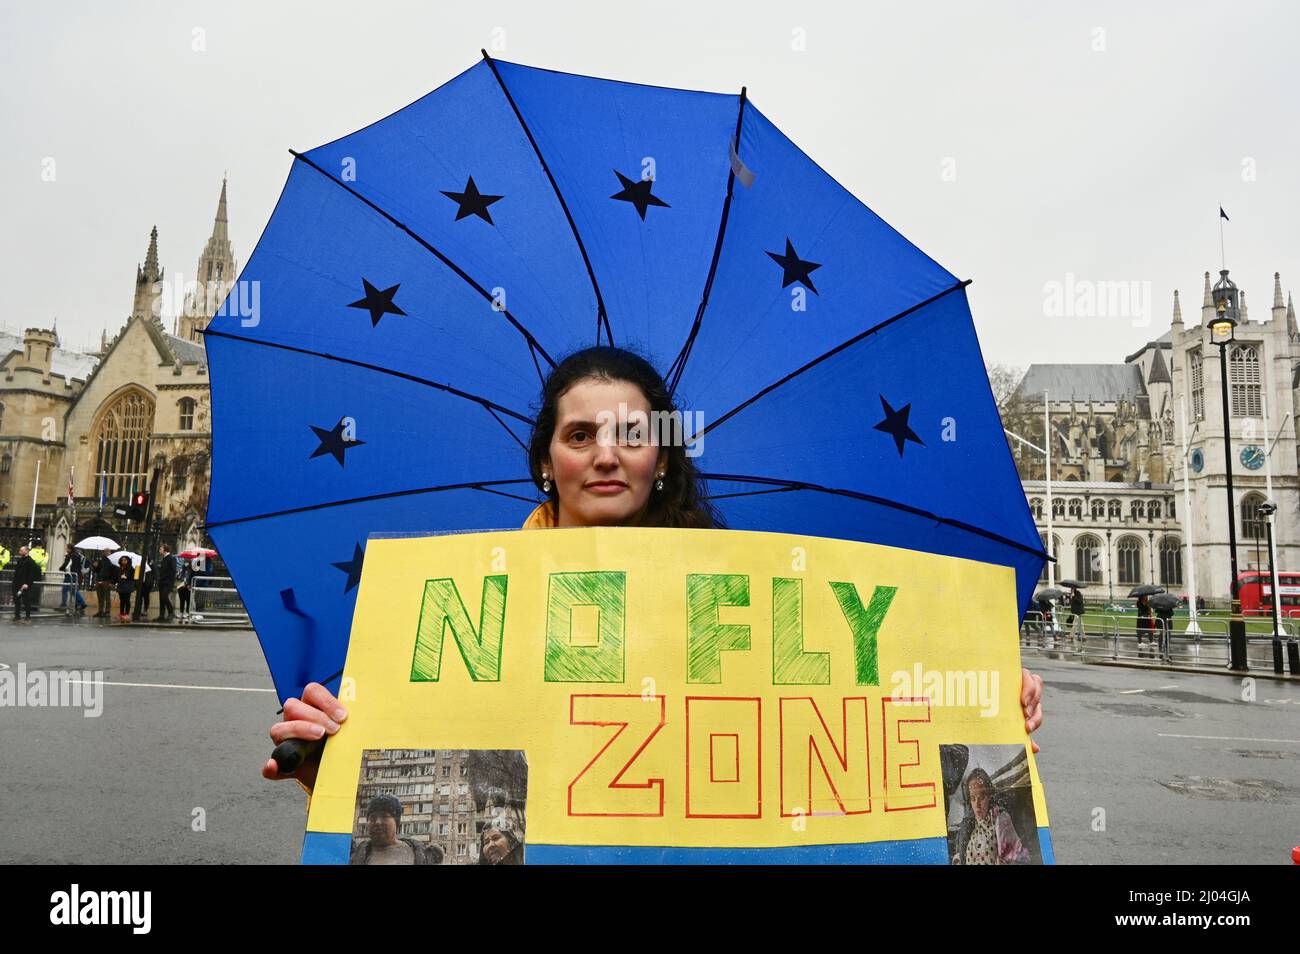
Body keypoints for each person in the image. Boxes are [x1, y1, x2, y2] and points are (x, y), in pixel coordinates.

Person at [263, 347, 1046, 789]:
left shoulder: (748, 596)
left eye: (631, 434)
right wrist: (326, 766)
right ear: (546, 460)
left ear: (661, 460)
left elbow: (846, 742)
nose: (606, 453)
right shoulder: (465, 602)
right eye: (579, 435)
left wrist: (977, 703)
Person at [951, 768, 1031, 865]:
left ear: (990, 796)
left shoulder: (1000, 820)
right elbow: (961, 857)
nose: (977, 804)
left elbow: (1021, 859)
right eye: (973, 798)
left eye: (982, 797)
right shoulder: (968, 826)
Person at [348, 794, 443, 865]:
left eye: (384, 816)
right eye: (372, 818)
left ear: (397, 823)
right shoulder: (354, 855)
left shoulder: (420, 854)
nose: (377, 822)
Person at [10, 545, 42, 621]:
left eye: (21, 550)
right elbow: (17, 572)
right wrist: (14, 582)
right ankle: (17, 616)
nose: (19, 552)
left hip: (25, 585)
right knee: (17, 600)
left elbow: (31, 574)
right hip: (17, 583)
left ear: (26, 551)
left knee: (26, 601)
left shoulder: (30, 561)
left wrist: (27, 583)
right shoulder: (20, 560)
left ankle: (28, 616)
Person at [59, 549, 87, 614]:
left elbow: (67, 565)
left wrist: (61, 568)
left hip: (70, 575)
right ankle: (82, 603)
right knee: (74, 591)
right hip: (75, 575)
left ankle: (63, 605)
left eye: (67, 548)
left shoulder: (71, 556)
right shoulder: (79, 557)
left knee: (65, 590)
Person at [154, 544, 177, 622]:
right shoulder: (163, 558)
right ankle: (161, 615)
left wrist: (171, 581)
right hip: (162, 582)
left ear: (165, 550)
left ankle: (171, 612)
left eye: (161, 549)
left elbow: (173, 571)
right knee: (161, 599)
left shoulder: (171, 558)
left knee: (164, 597)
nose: (159, 550)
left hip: (168, 582)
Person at [93, 551, 118, 618]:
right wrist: (95, 566)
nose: (106, 553)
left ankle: (107, 612)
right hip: (99, 580)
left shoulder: (112, 561)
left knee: (107, 597)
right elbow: (97, 571)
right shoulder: (100, 560)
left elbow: (115, 572)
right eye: (105, 551)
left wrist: (112, 582)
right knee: (100, 597)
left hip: (107, 581)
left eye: (108, 552)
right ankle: (100, 611)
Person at [115, 555, 136, 622]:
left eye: (125, 560)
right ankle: (121, 613)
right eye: (122, 560)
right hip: (121, 586)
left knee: (127, 600)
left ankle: (126, 614)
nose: (123, 561)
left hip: (127, 586)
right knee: (122, 600)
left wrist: (126, 577)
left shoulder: (131, 568)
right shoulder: (120, 568)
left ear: (128, 561)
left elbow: (134, 577)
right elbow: (117, 576)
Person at [1135, 593, 1154, 658]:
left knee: (1149, 630)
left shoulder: (1148, 602)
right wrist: (1145, 613)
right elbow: (1140, 610)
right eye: (1145, 596)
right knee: (1140, 630)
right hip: (1141, 618)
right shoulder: (1139, 603)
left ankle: (1151, 641)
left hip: (1147, 619)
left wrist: (1149, 608)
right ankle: (1140, 643)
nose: (1146, 597)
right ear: (1142, 597)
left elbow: (1149, 610)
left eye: (1146, 596)